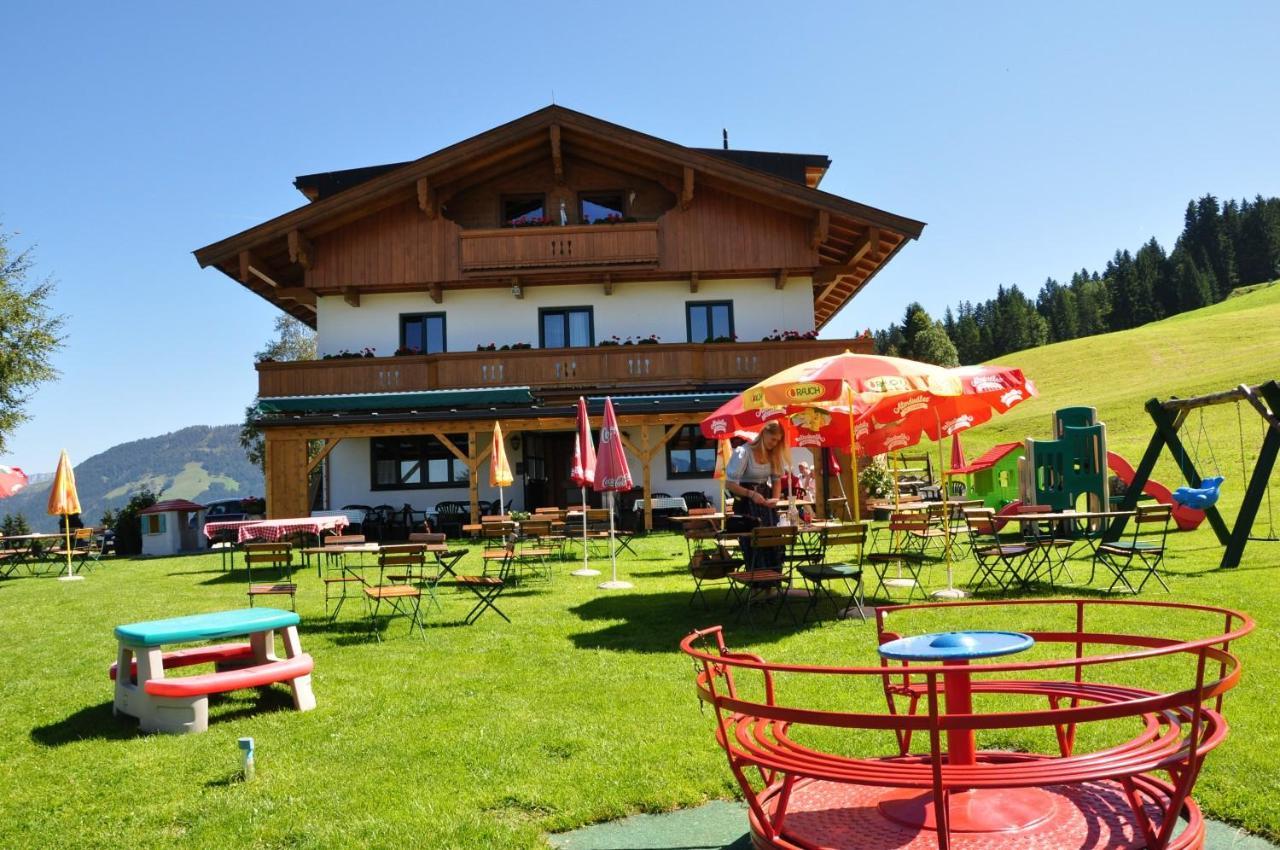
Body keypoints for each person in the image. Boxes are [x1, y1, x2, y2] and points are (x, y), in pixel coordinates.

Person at [725, 421, 786, 568]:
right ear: (764, 434)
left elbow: (776, 481)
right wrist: (751, 494)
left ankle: (774, 584)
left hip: (765, 503)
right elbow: (729, 484)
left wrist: (775, 498)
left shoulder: (774, 454)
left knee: (773, 541)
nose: (775, 443)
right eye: (773, 439)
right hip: (746, 503)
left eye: (778, 441)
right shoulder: (743, 452)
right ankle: (757, 585)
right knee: (753, 544)